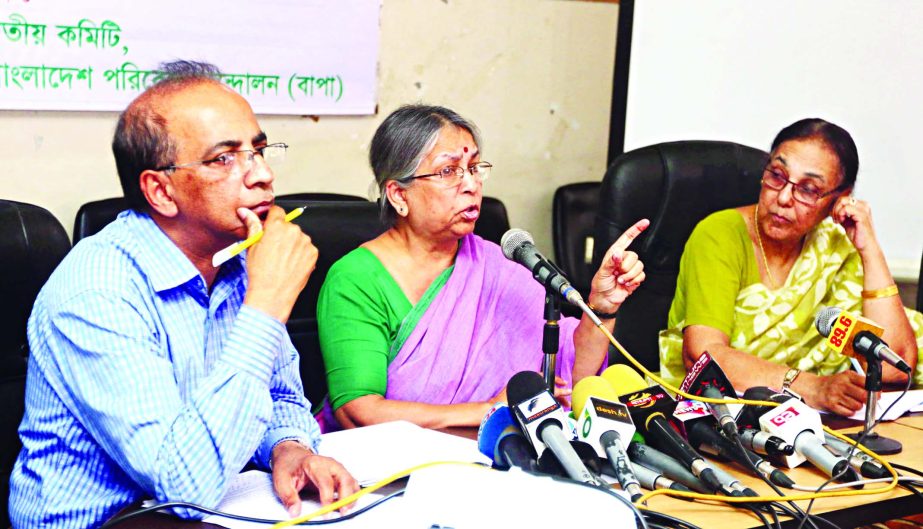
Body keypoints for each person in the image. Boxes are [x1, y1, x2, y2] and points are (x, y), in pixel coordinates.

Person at [9, 61, 358, 529]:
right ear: (161, 191)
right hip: (108, 522)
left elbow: (278, 396)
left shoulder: (235, 260)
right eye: (224, 158)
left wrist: (288, 448)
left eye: (258, 150)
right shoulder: (96, 289)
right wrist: (267, 304)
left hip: (211, 509)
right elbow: (183, 483)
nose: (262, 176)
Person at [316, 104, 649, 430]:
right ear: (399, 195)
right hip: (392, 471)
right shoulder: (356, 280)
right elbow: (359, 411)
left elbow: (573, 380)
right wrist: (487, 410)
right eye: (449, 171)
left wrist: (601, 308)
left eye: (474, 168)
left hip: (501, 456)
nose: (471, 184)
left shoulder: (499, 268)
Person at [659, 118, 923, 416]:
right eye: (777, 175)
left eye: (809, 189)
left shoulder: (836, 248)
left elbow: (892, 369)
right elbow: (703, 355)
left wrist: (869, 249)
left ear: (839, 198)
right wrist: (810, 387)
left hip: (814, 425)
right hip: (717, 418)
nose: (783, 198)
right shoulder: (719, 235)